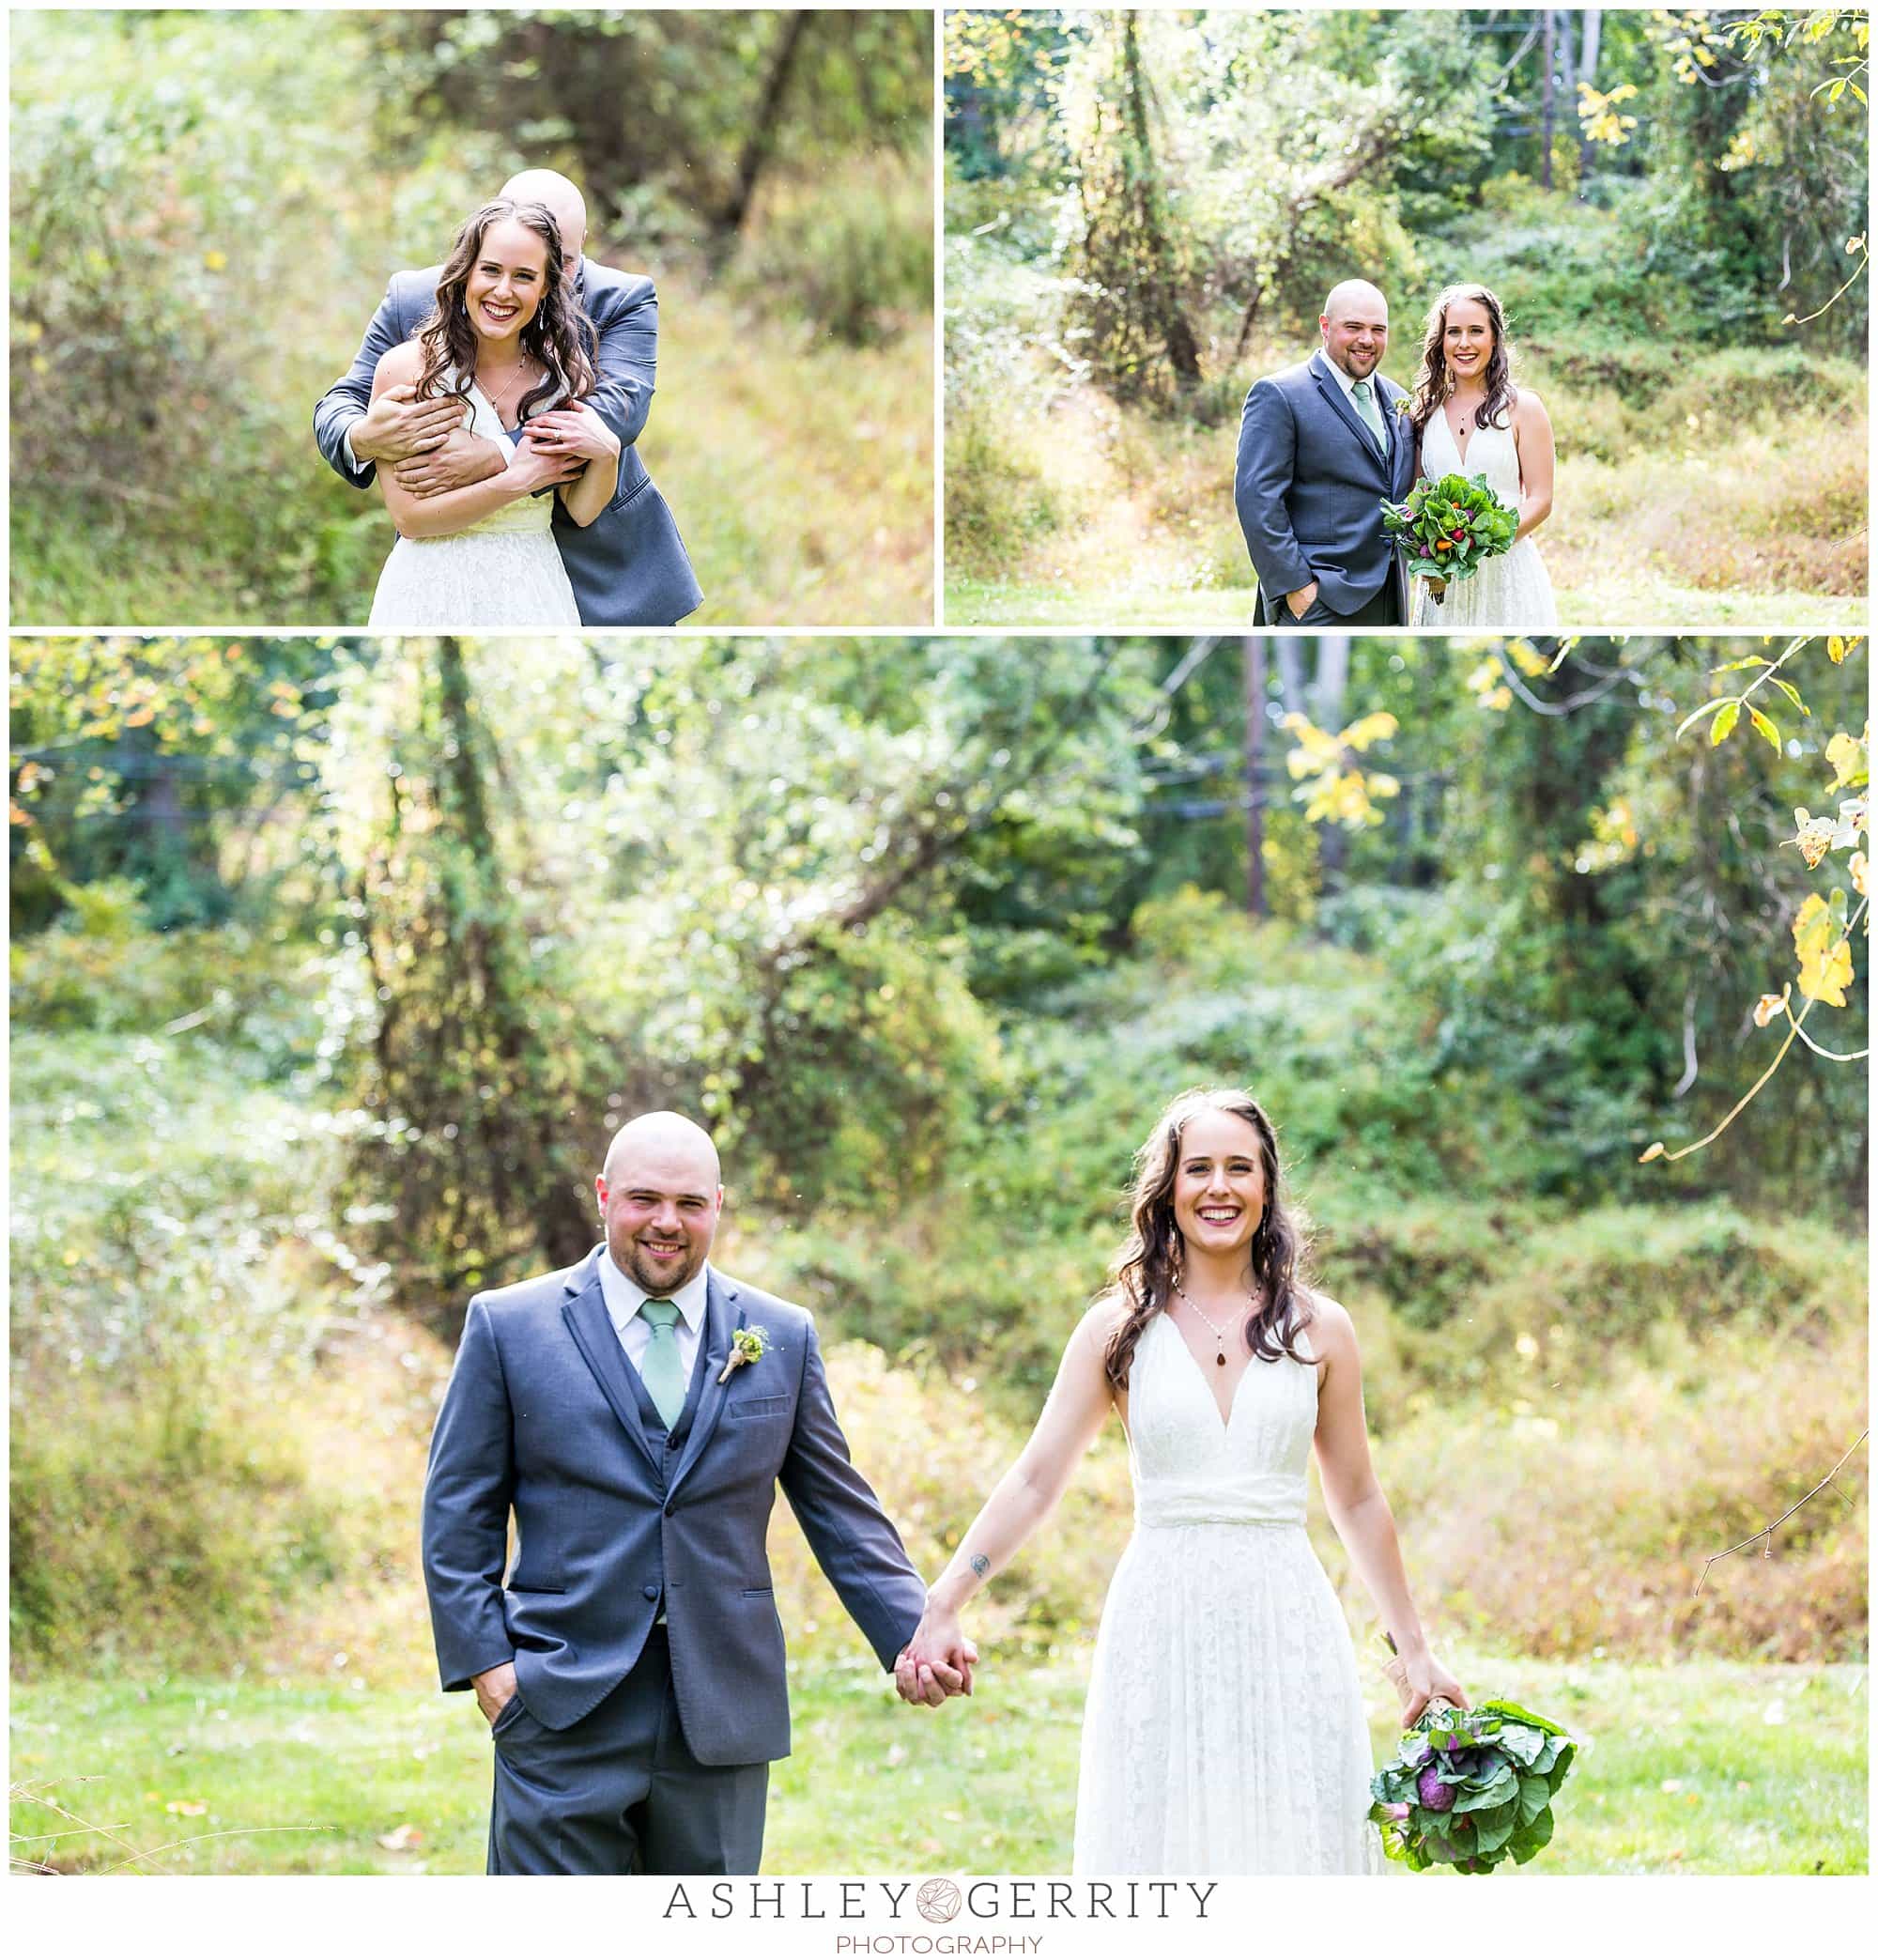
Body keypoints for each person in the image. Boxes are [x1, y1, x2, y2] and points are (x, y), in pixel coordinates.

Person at [895, 1088, 1467, 1875]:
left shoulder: (1320, 1328)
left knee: (1293, 1843)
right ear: (1167, 1188)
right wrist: (944, 1600)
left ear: (1267, 1186)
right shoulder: (1116, 1328)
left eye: (1240, 1167)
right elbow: (1035, 1479)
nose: (1219, 1187)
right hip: (1160, 1619)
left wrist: (1415, 1650)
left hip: (1286, 1615)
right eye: (1198, 1167)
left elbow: (1358, 1497)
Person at [422, 1110, 964, 1875]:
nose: (666, 1222)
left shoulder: (781, 1334)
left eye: (690, 1203)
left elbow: (840, 1510)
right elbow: (458, 1511)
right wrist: (491, 1668)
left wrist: (916, 1628)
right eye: (644, 1198)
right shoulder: (510, 1326)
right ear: (604, 1195)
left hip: (721, 1708)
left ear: (719, 1206)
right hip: (561, 1699)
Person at [314, 169, 702, 628]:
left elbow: (618, 411)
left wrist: (497, 453)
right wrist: (363, 437)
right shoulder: (415, 298)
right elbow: (346, 401)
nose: (506, 289)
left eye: (563, 261)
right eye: (494, 266)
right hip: (443, 565)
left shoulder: (621, 300)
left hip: (594, 567)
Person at [1234, 280, 1415, 628]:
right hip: (1320, 600)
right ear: (1325, 327)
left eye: (1378, 329)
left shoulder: (1397, 397)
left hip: (1391, 596)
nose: (1367, 339)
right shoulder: (1279, 394)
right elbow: (1257, 498)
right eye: (1354, 327)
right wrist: (1297, 588)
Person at [1407, 285, 1558, 630]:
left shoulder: (1524, 409)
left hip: (1508, 570)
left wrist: (1480, 543)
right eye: (1454, 332)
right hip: (1444, 577)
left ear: (1494, 339)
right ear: (1440, 341)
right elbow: (1417, 498)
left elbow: (1541, 499)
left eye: (1476, 331)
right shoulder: (1424, 414)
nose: (1464, 344)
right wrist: (1433, 552)